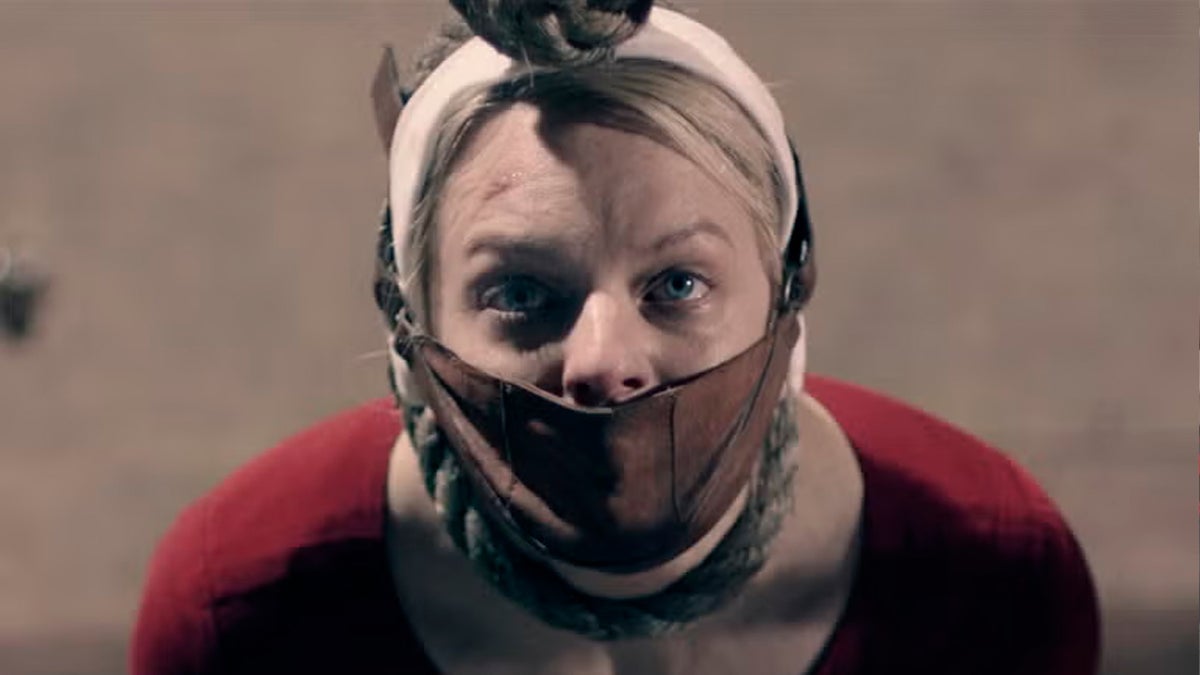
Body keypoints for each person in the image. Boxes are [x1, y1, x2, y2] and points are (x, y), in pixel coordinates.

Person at [131, 2, 1100, 673]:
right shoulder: (244, 604)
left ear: (787, 284)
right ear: (409, 319)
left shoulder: (988, 574)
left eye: (678, 284)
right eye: (520, 292)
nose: (602, 363)